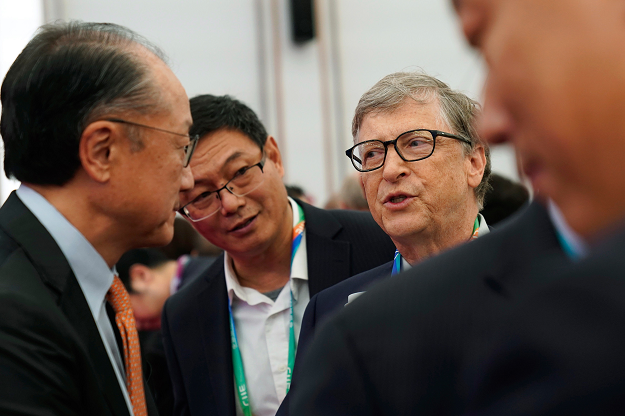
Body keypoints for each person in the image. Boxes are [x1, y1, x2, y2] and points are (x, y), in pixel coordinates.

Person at [0, 21, 196, 416]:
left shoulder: (97, 290)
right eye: (181, 147)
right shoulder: (13, 313)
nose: (190, 179)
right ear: (102, 151)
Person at [161, 94, 395, 416]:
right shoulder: (184, 316)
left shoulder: (380, 243)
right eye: (201, 195)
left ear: (273, 156)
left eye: (241, 172)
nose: (229, 204)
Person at [277, 70, 491, 416]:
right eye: (373, 154)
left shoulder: (546, 282)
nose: (390, 170)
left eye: (416, 143)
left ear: (474, 162)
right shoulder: (332, 312)